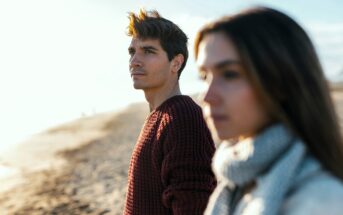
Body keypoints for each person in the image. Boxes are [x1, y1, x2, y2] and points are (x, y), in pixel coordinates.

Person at [194, 6, 343, 215]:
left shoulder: (321, 200)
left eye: (229, 74)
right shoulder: (237, 181)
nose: (207, 96)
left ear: (282, 80)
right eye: (204, 76)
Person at [123, 9, 216, 214]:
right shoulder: (159, 116)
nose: (134, 61)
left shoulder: (182, 117)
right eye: (132, 52)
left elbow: (193, 206)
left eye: (148, 51)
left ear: (176, 62)